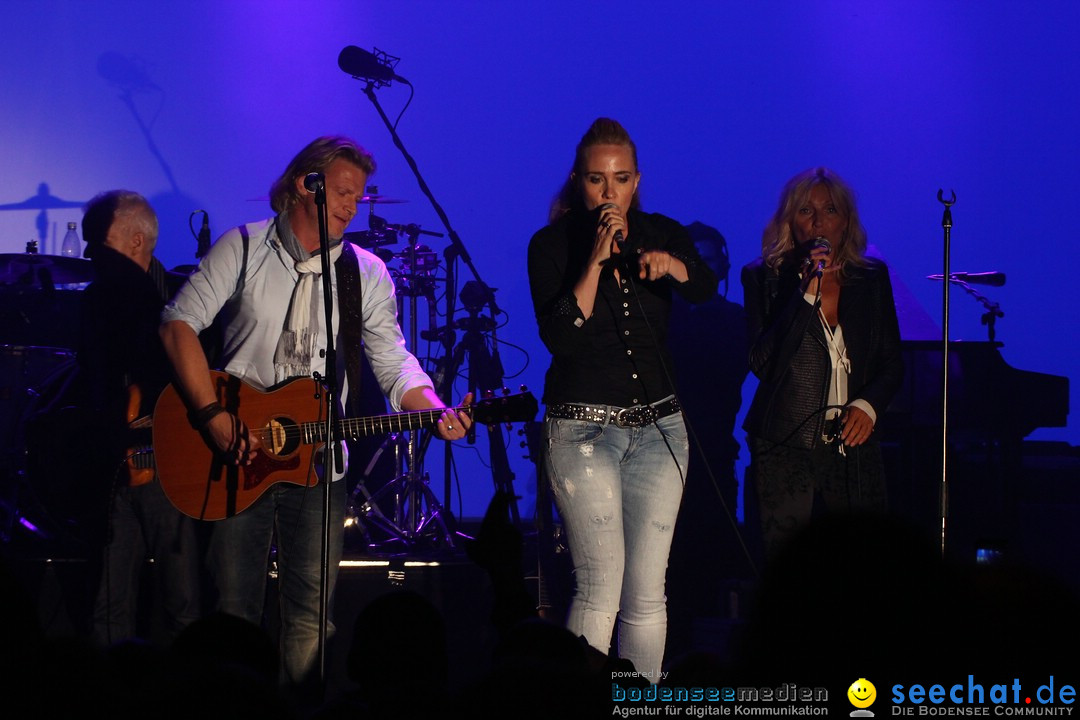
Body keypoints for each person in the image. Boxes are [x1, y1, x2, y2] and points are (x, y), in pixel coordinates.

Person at [158, 135, 472, 696]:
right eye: (344, 192)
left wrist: (434, 409)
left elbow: (391, 361)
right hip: (238, 455)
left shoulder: (366, 272)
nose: (354, 206)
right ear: (307, 184)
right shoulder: (244, 246)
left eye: (359, 194)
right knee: (235, 611)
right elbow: (178, 322)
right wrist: (210, 415)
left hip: (319, 465)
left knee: (312, 619)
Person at [527, 118, 718, 682]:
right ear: (578, 181)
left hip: (661, 431)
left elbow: (704, 285)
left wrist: (672, 265)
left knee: (647, 592)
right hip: (583, 432)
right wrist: (596, 260)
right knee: (599, 584)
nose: (608, 193)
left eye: (621, 178)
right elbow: (560, 336)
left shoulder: (662, 230)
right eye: (595, 179)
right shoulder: (553, 244)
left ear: (637, 180)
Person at [741, 167, 903, 561]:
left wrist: (868, 405)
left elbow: (892, 361)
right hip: (785, 441)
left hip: (853, 441)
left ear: (846, 220)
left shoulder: (871, 278)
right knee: (788, 566)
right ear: (789, 220)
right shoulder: (764, 279)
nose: (818, 222)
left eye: (829, 210)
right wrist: (804, 295)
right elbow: (763, 364)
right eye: (805, 211)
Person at [76, 190, 201, 647]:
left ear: (133, 239)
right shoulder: (149, 295)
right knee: (173, 600)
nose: (91, 252)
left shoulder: (131, 295)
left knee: (129, 601)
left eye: (100, 241)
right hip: (135, 458)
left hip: (148, 459)